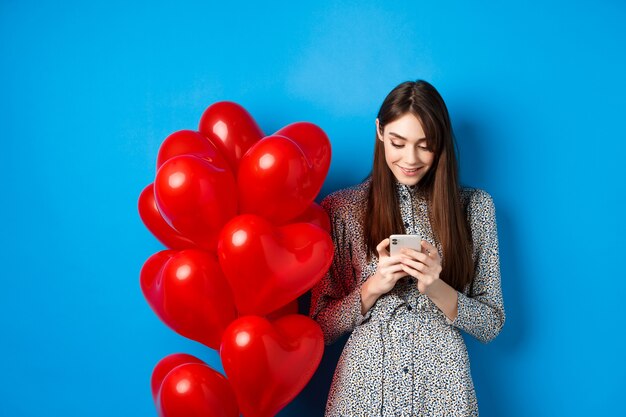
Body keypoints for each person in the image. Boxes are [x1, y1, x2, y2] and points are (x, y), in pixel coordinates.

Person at [309, 80, 505, 416]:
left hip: (444, 392)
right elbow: (318, 329)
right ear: (380, 132)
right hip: (364, 390)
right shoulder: (342, 208)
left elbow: (491, 324)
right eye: (398, 143)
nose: (410, 159)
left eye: (425, 146)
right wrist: (373, 288)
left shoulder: (474, 208)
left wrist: (436, 287)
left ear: (440, 143)